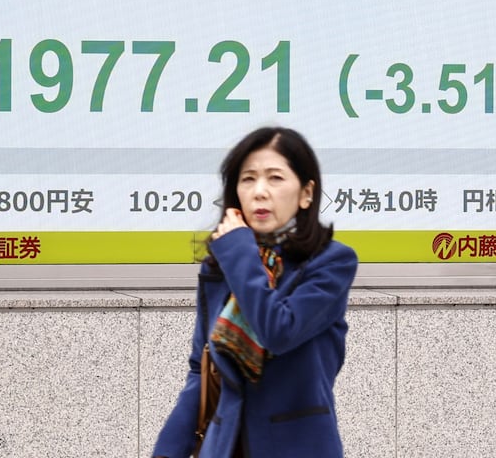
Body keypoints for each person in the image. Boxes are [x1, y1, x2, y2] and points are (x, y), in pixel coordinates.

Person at [152, 126, 358, 458]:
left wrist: (240, 254)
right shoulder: (222, 267)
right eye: (248, 179)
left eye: (275, 178)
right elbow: (199, 370)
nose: (259, 191)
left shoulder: (331, 263)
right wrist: (167, 452)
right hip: (224, 447)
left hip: (297, 448)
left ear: (306, 193)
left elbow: (278, 330)